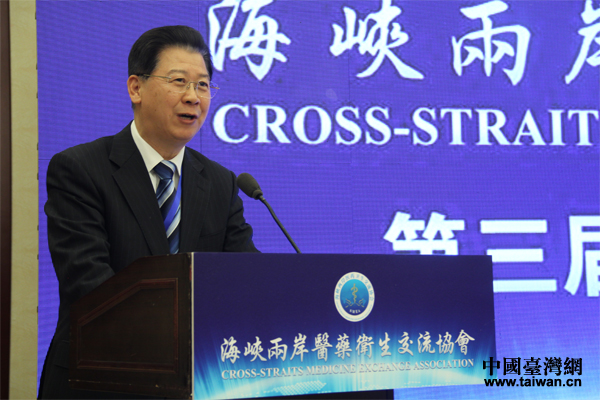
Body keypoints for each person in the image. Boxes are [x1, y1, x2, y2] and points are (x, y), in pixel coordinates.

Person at [39, 25, 258, 399]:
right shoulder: (80, 169)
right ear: (135, 88)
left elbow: (246, 278)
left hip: (195, 383)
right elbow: (90, 286)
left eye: (203, 85)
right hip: (101, 381)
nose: (193, 97)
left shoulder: (221, 182)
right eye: (179, 81)